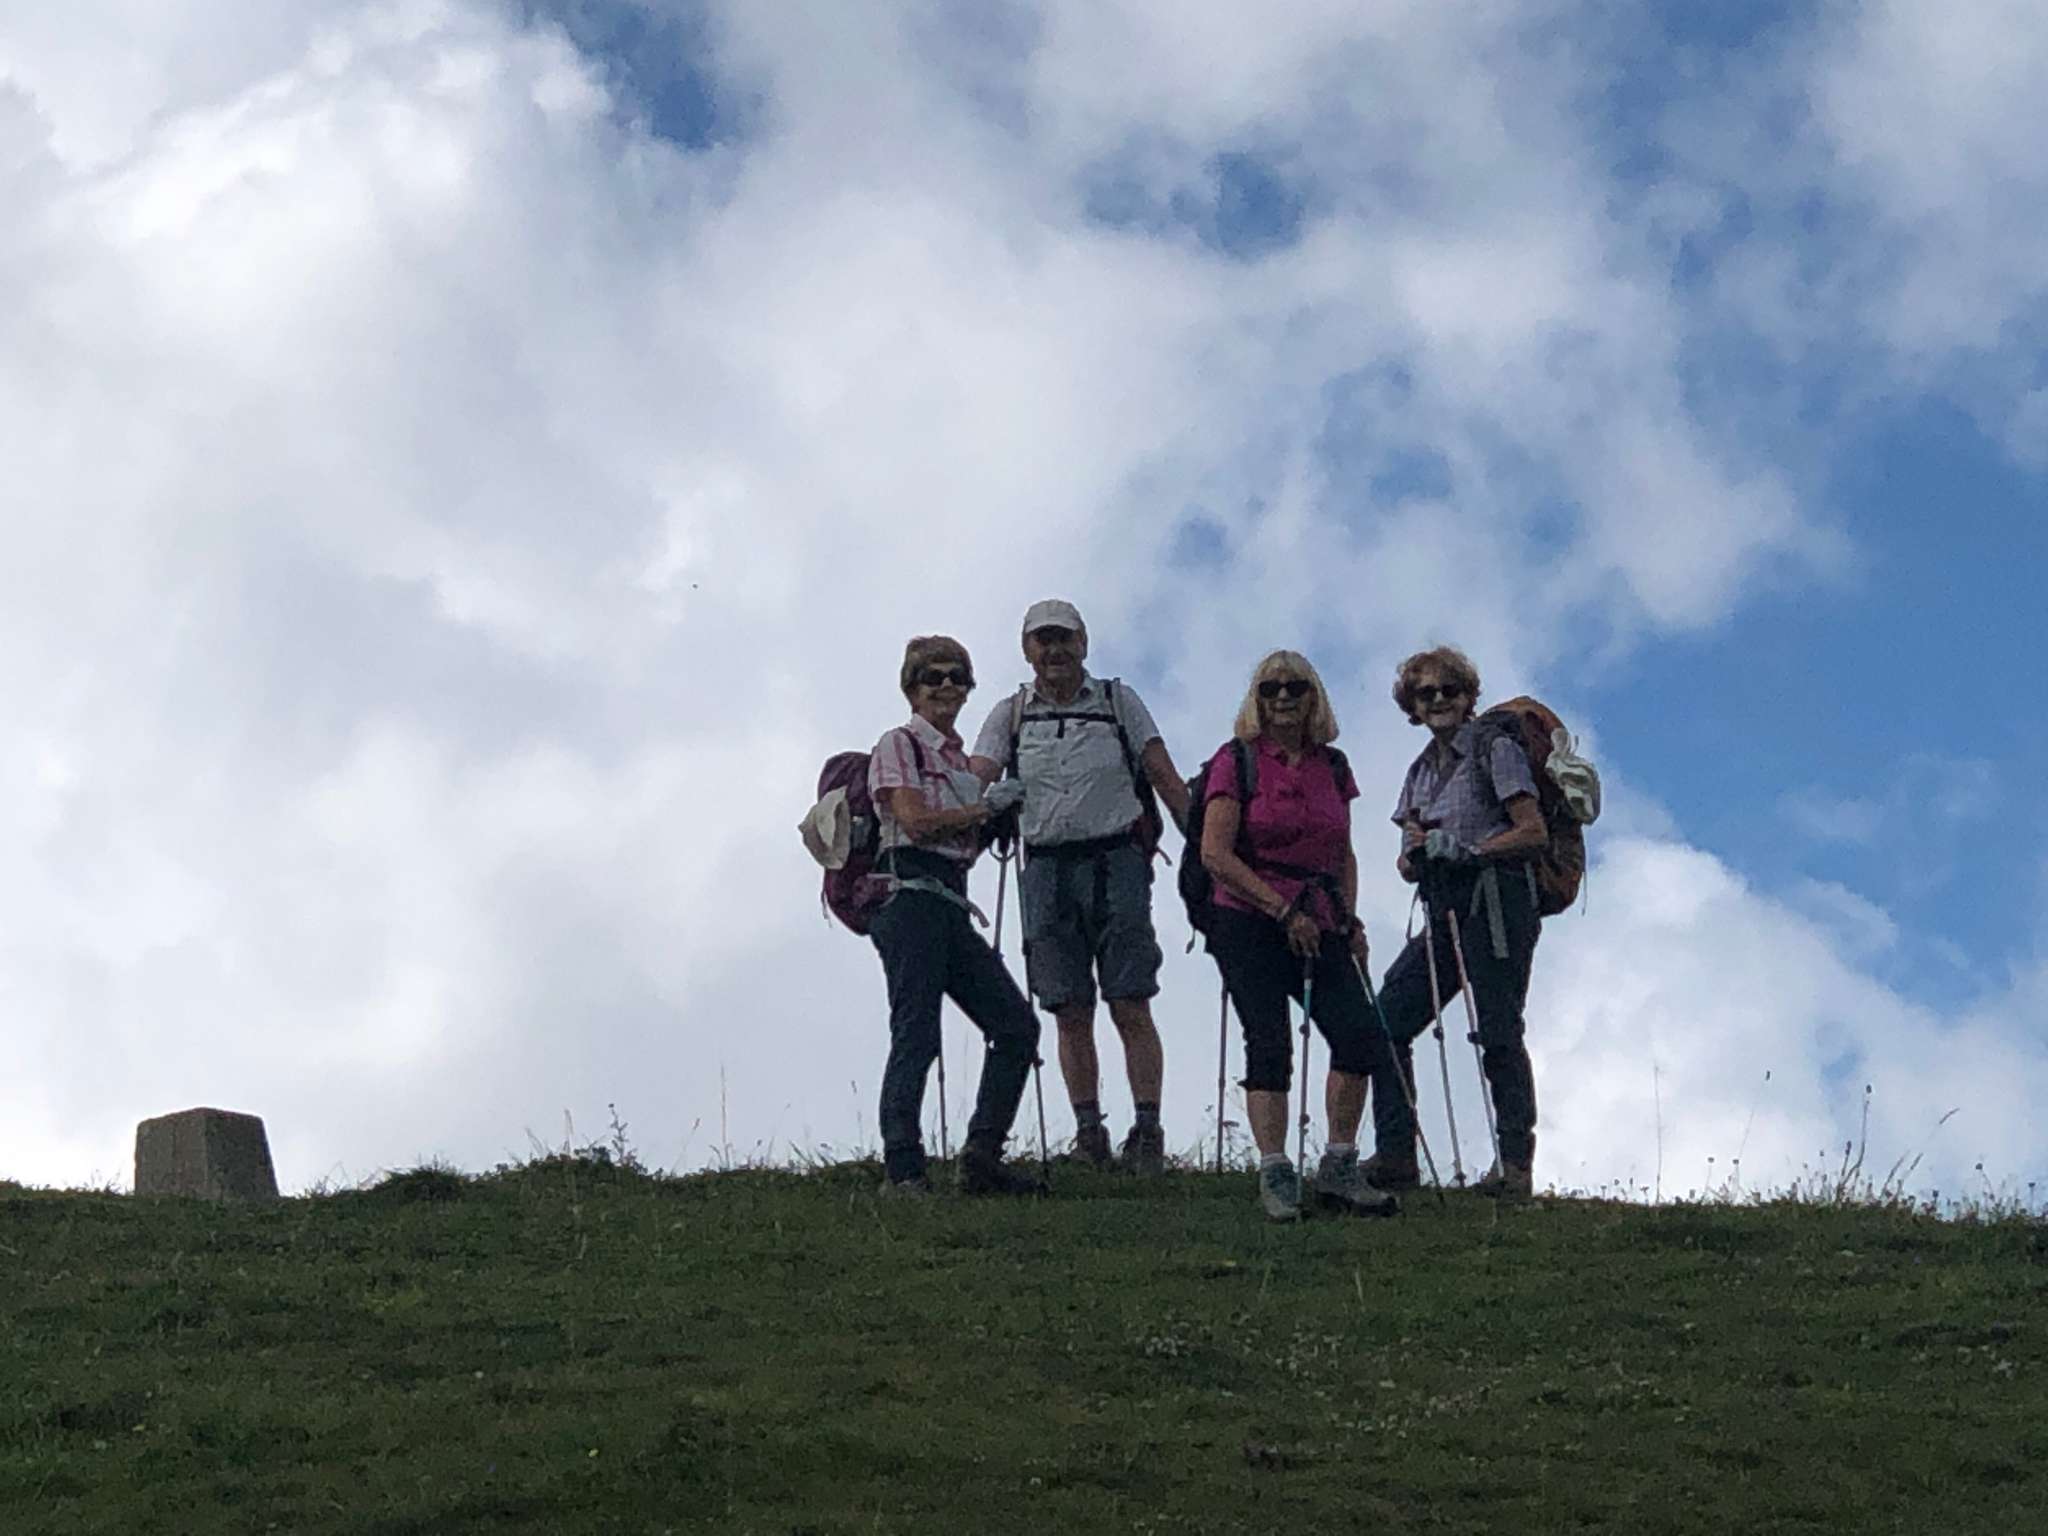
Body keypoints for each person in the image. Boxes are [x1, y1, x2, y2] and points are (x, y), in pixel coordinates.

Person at [970, 600, 1191, 1175]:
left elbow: (1163, 775)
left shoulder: (1118, 701)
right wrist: (976, 805)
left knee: (1129, 998)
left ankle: (1145, 1130)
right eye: (1043, 640)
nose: (1055, 650)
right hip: (1047, 866)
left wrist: (1205, 846)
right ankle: (1091, 1132)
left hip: (1116, 860)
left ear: (1083, 643)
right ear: (1027, 650)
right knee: (1068, 1005)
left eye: (1063, 638)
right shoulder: (1010, 714)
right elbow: (975, 777)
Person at [1196, 650, 1402, 1221]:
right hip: (1246, 916)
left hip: (1321, 916)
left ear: (1314, 697)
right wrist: (1282, 911)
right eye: (1271, 688)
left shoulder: (1332, 766)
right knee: (1269, 1040)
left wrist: (1349, 920)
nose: (1283, 697)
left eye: (1295, 687)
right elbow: (1214, 853)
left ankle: (1338, 1164)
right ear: (1256, 699)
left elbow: (1343, 853)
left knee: (1359, 1035)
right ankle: (1276, 1169)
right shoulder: (1236, 761)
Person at [867, 635, 1042, 1197]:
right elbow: (916, 822)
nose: (946, 686)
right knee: (917, 1032)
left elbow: (955, 839)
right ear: (911, 689)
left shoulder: (958, 762)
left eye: (956, 677)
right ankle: (903, 1168)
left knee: (1016, 1026)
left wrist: (989, 821)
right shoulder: (899, 744)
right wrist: (984, 809)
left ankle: (981, 1158)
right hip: (910, 899)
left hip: (945, 901)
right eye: (933, 677)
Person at [1370, 646, 1548, 1199]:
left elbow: (1533, 830)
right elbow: (1405, 862)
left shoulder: (1496, 748)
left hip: (1497, 902)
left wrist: (1470, 850)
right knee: (1386, 1019)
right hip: (1444, 904)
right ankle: (1396, 1155)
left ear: (1470, 696)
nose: (1439, 700)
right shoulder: (1419, 771)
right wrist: (1416, 853)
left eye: (1450, 689)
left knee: (1498, 1029)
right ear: (1412, 706)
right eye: (1426, 693)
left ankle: (1514, 1168)